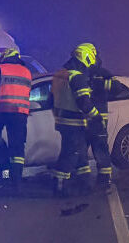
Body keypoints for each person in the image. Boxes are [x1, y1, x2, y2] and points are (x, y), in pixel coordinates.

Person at [49, 43, 102, 196]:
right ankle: (60, 186)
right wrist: (96, 116)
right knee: (70, 154)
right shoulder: (77, 77)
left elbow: (50, 99)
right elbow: (84, 102)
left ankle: (84, 183)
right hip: (74, 122)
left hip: (63, 121)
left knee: (80, 153)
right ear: (85, 57)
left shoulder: (60, 75)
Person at [0, 48, 33, 191]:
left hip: (0, 111)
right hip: (20, 113)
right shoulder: (27, 72)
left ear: (4, 57)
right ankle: (16, 182)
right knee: (17, 147)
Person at [87, 56, 115, 189]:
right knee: (97, 149)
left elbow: (116, 88)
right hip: (92, 118)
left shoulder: (101, 74)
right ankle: (101, 179)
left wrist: (99, 85)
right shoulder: (88, 74)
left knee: (99, 149)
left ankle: (104, 179)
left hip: (96, 118)